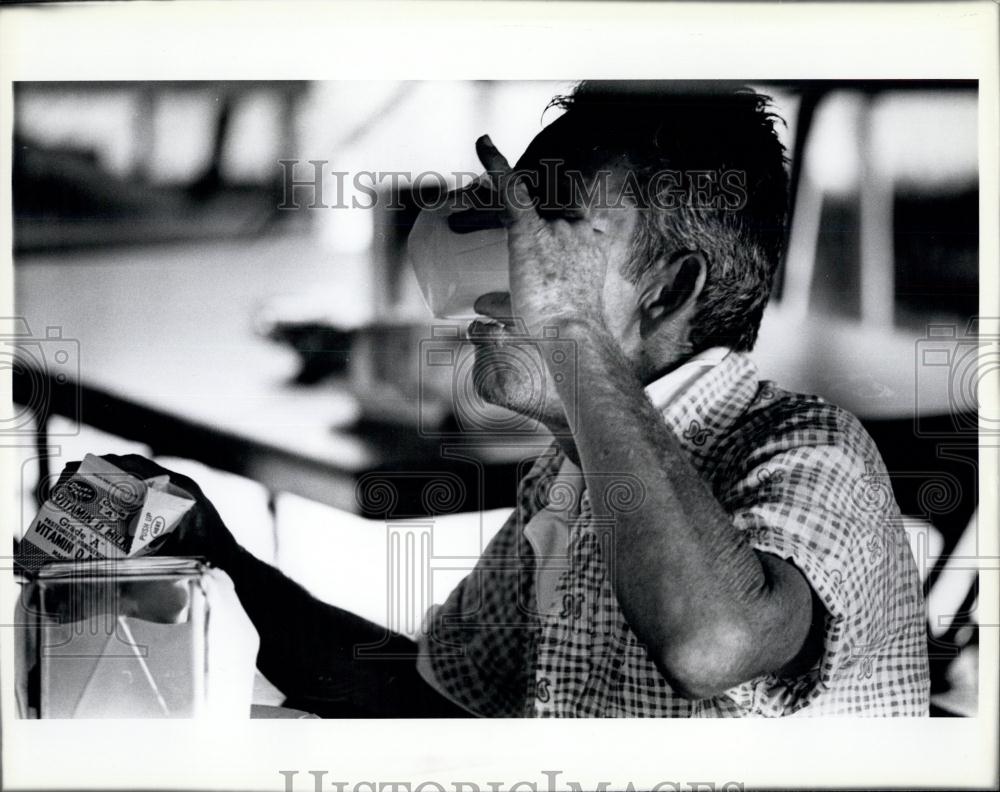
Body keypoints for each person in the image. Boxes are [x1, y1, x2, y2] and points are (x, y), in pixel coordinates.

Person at [76, 83, 929, 717]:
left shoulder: (812, 453)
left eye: (547, 237)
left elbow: (714, 642)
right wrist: (217, 554)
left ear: (670, 292)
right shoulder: (568, 477)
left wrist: (565, 327)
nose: (505, 264)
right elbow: (425, 703)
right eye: (509, 221)